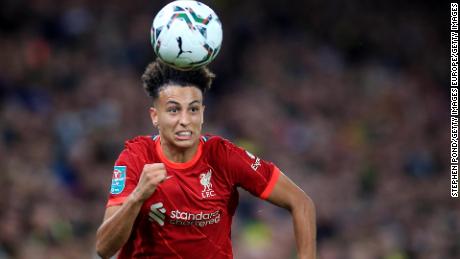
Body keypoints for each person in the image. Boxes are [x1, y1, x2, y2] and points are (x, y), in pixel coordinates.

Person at [96, 59, 316, 259]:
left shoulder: (223, 156)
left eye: (192, 110)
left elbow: (301, 203)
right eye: (173, 110)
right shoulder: (136, 157)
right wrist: (137, 197)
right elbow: (104, 248)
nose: (184, 120)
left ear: (202, 113)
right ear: (155, 116)